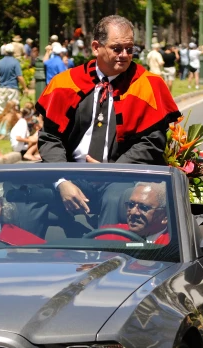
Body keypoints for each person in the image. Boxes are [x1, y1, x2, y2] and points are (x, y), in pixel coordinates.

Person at [35, 15, 181, 225]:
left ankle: (107, 254)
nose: (124, 55)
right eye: (117, 48)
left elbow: (151, 142)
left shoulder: (148, 85)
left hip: (123, 176)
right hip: (71, 172)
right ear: (96, 47)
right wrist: (61, 180)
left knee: (117, 200)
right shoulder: (65, 83)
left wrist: (112, 171)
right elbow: (50, 137)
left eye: (130, 49)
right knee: (22, 191)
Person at [94, 182, 170, 244]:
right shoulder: (109, 234)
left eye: (143, 207)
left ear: (165, 216)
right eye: (131, 205)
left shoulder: (175, 246)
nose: (133, 212)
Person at [0, 43, 29, 118]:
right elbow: (19, 76)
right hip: (12, 88)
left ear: (5, 52)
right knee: (13, 110)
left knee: (1, 111)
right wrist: (25, 87)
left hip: (2, 88)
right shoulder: (15, 62)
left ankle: (1, 127)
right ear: (13, 52)